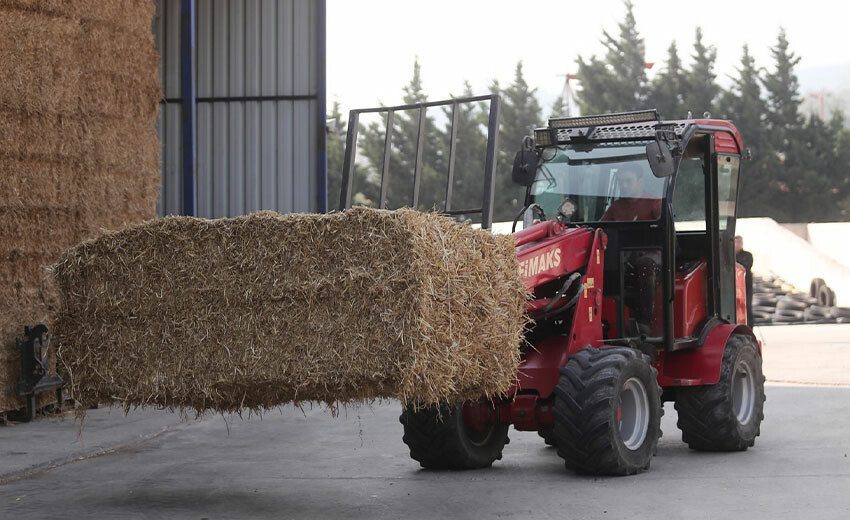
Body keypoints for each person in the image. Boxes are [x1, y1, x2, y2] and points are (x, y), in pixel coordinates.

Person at [601, 167, 663, 335]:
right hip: (623, 257)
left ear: (640, 182)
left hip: (652, 256)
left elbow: (663, 230)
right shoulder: (616, 207)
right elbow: (600, 228)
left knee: (646, 264)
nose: (624, 185)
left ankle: (645, 322)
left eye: (628, 181)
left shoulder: (655, 203)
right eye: (621, 182)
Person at [735, 235, 754, 326]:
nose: (737, 244)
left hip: (745, 286)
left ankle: (750, 328)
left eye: (739, 242)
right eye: (736, 242)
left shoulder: (747, 255)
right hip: (734, 287)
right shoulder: (729, 255)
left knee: (747, 308)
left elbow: (745, 267)